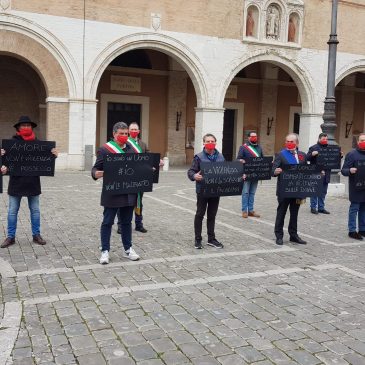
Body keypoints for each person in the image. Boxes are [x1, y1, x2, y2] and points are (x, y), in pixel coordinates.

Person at [1, 116, 58, 248]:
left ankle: (36, 235)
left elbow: (46, 160)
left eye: (28, 125)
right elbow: (4, 162)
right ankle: (10, 236)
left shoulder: (38, 144)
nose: (26, 127)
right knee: (12, 211)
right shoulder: (11, 143)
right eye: (23, 125)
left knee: (35, 210)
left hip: (33, 182)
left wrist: (54, 155)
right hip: (16, 182)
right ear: (18, 128)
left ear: (31, 128)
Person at [92, 121, 140, 264]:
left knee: (126, 222)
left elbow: (138, 167)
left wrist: (148, 170)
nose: (124, 136)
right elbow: (94, 169)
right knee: (107, 222)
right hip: (112, 192)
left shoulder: (132, 149)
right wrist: (97, 173)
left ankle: (128, 249)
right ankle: (105, 251)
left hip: (128, 192)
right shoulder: (105, 150)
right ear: (114, 134)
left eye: (126, 134)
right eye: (121, 134)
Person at [188, 134, 224, 250]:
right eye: (208, 141)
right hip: (202, 190)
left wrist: (238, 176)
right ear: (203, 143)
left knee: (212, 215)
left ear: (216, 142)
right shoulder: (198, 157)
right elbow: (191, 171)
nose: (210, 143)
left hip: (215, 190)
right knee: (200, 214)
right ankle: (198, 239)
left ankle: (211, 239)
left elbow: (227, 171)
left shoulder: (220, 157)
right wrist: (194, 176)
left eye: (212, 141)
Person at [272, 133, 307, 245]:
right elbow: (273, 170)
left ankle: (293, 235)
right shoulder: (281, 155)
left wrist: (318, 173)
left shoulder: (302, 155)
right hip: (284, 190)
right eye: (287, 141)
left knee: (294, 213)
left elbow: (307, 170)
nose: (289, 143)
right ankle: (279, 235)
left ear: (297, 143)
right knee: (281, 212)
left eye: (291, 141)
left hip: (297, 190)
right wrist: (275, 171)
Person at [117, 122, 149, 234]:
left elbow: (148, 158)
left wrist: (155, 163)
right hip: (126, 178)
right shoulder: (124, 143)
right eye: (132, 129)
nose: (134, 131)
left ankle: (139, 224)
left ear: (139, 131)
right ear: (128, 131)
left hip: (139, 179)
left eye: (136, 129)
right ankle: (121, 225)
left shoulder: (143, 144)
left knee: (138, 201)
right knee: (123, 202)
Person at [341, 133, 365, 240]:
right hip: (356, 187)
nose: (363, 142)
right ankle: (352, 230)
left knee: (364, 209)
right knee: (354, 208)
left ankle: (362, 229)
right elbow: (343, 170)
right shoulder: (352, 154)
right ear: (358, 142)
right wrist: (350, 170)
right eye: (361, 140)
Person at [237, 131, 263, 218]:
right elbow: (238, 159)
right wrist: (241, 161)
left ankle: (251, 211)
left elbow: (262, 159)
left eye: (255, 136)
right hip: (246, 173)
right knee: (245, 192)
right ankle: (244, 210)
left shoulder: (259, 148)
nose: (254, 138)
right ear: (248, 138)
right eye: (252, 136)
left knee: (252, 193)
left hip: (256, 173)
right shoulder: (243, 147)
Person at [307, 133, 332, 215]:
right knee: (314, 190)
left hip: (326, 173)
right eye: (323, 139)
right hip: (316, 172)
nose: (325, 140)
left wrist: (340, 156)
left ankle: (321, 207)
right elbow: (307, 158)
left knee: (323, 191)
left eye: (326, 139)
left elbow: (333, 159)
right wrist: (312, 154)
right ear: (319, 139)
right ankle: (313, 207)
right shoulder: (313, 147)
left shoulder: (330, 148)